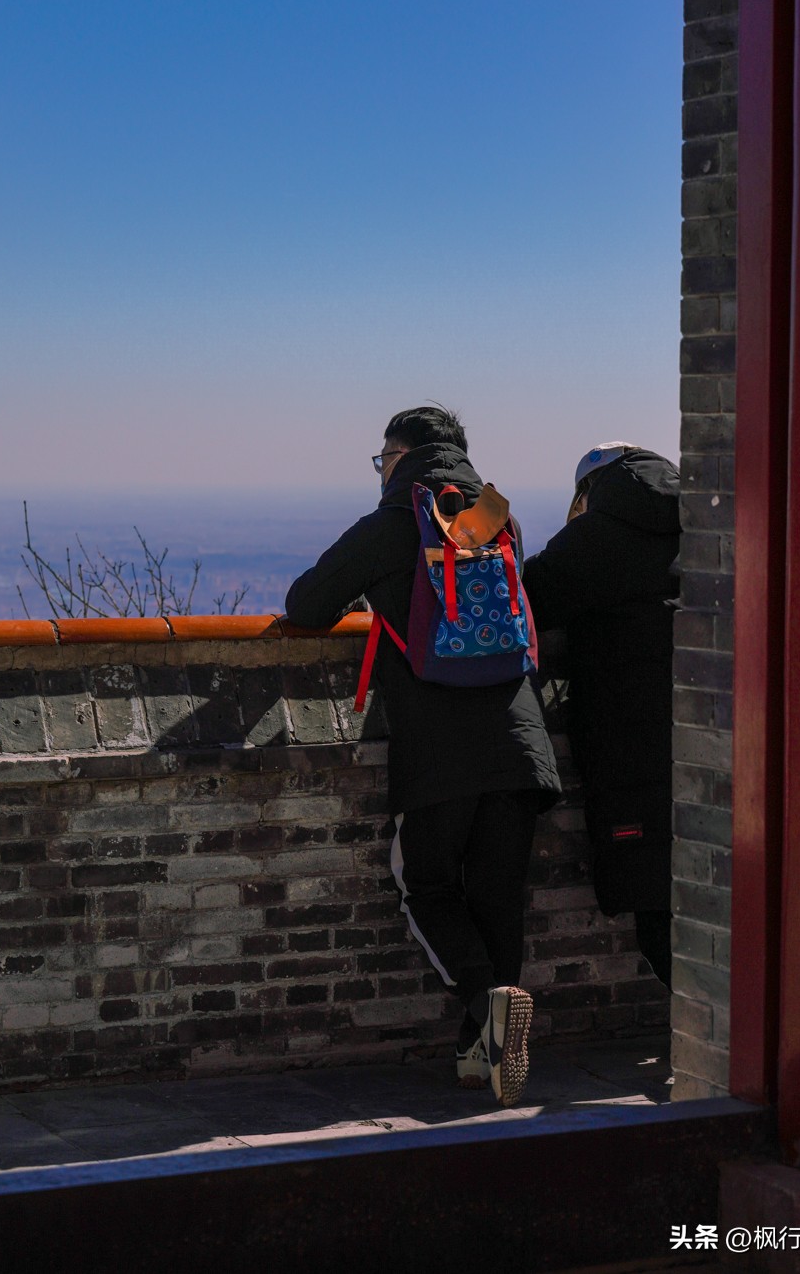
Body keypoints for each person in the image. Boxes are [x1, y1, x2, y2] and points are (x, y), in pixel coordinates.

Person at [284, 405, 561, 1105]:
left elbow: (308, 604)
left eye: (381, 459)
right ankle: (482, 1056)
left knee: (426, 886)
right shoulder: (497, 517)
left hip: (439, 748)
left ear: (399, 455)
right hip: (519, 740)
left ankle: (486, 997)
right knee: (497, 896)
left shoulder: (393, 523)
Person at [522, 443, 680, 990]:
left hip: (631, 745)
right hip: (720, 745)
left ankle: (718, 1048)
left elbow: (526, 599)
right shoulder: (711, 522)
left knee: (657, 906)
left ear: (588, 491)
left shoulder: (596, 535)